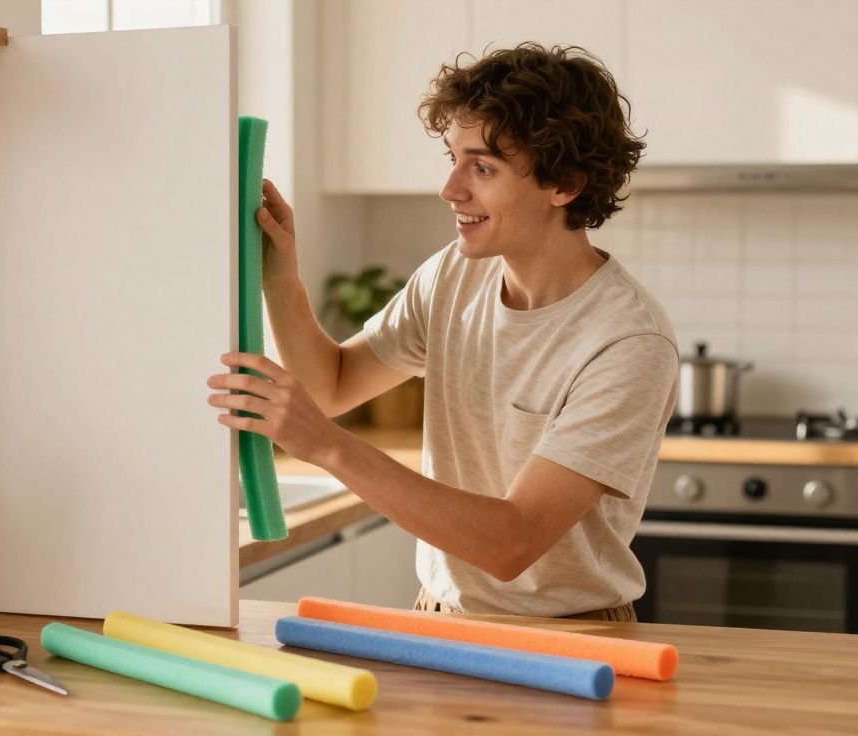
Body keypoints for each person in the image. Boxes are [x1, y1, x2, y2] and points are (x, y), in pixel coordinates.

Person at [207, 43, 678, 621]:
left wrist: (327, 447)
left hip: (572, 637)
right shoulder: (455, 275)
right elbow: (330, 385)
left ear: (565, 184)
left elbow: (512, 543)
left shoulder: (627, 341)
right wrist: (280, 279)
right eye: (452, 158)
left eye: (482, 167)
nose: (450, 188)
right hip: (437, 616)